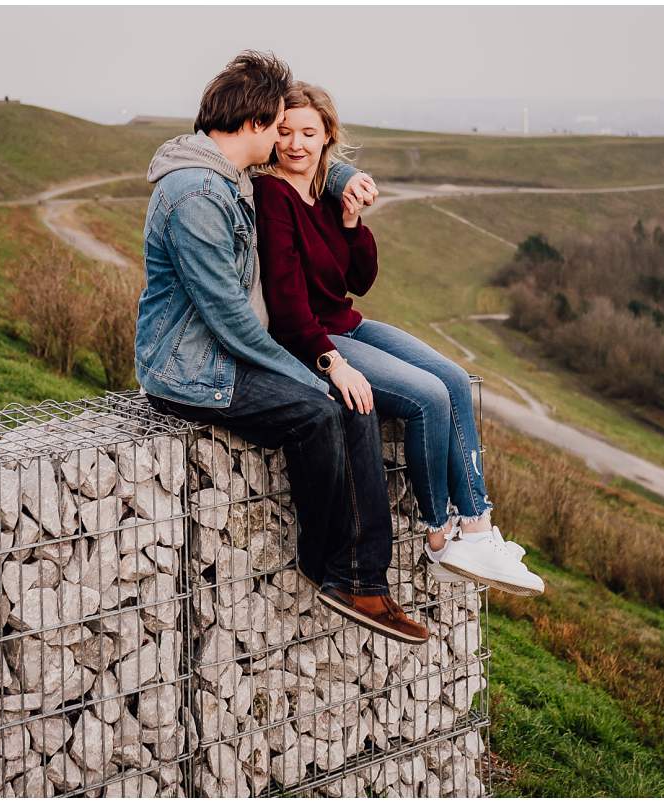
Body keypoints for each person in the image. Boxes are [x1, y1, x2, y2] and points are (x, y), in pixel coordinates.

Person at [135, 51, 429, 643]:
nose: (285, 137)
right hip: (191, 370)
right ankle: (334, 570)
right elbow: (227, 319)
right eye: (277, 124)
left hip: (223, 355)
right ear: (253, 126)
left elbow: (312, 171)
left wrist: (344, 175)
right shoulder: (197, 195)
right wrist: (322, 369)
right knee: (323, 408)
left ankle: (364, 579)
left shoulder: (226, 173)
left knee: (354, 402)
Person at [253, 82, 544, 596]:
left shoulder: (324, 192)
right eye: (284, 132)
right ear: (272, 137)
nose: (295, 144)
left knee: (453, 378)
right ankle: (439, 539)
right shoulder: (271, 194)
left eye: (308, 133)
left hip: (348, 321)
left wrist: (350, 221)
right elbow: (286, 304)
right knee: (426, 397)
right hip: (314, 337)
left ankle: (476, 526)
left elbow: (359, 280)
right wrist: (329, 360)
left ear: (327, 137)